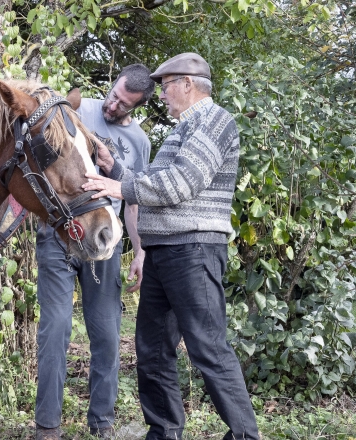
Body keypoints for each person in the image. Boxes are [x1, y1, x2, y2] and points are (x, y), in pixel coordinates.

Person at [82, 53, 261, 440]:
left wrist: (119, 187)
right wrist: (114, 169)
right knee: (151, 350)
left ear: (187, 84)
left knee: (208, 348)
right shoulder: (184, 130)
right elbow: (153, 181)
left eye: (165, 87)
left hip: (193, 251)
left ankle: (245, 436)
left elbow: (182, 183)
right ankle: (163, 433)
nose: (161, 96)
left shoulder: (214, 121)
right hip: (165, 253)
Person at [35, 64, 155, 440]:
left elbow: (134, 202)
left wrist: (139, 251)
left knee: (106, 333)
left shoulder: (140, 142)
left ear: (137, 106)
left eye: (123, 104)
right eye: (114, 95)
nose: (113, 105)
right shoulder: (75, 108)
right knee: (56, 328)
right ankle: (47, 426)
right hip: (59, 234)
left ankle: (102, 421)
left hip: (104, 243)